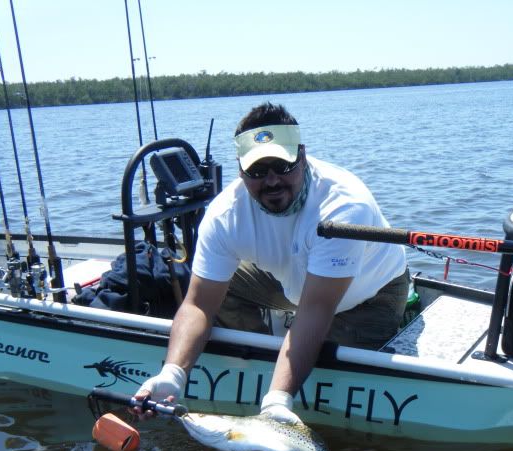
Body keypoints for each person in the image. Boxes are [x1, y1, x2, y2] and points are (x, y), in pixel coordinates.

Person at [135, 102, 408, 423]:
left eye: (283, 165)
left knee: (329, 359)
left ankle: (278, 387)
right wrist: (173, 374)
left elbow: (315, 310)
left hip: (370, 296)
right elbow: (198, 306)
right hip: (293, 285)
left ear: (302, 156)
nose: (273, 180)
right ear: (239, 169)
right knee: (222, 285)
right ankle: (260, 363)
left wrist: (277, 400)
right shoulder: (225, 215)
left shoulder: (343, 205)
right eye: (258, 170)